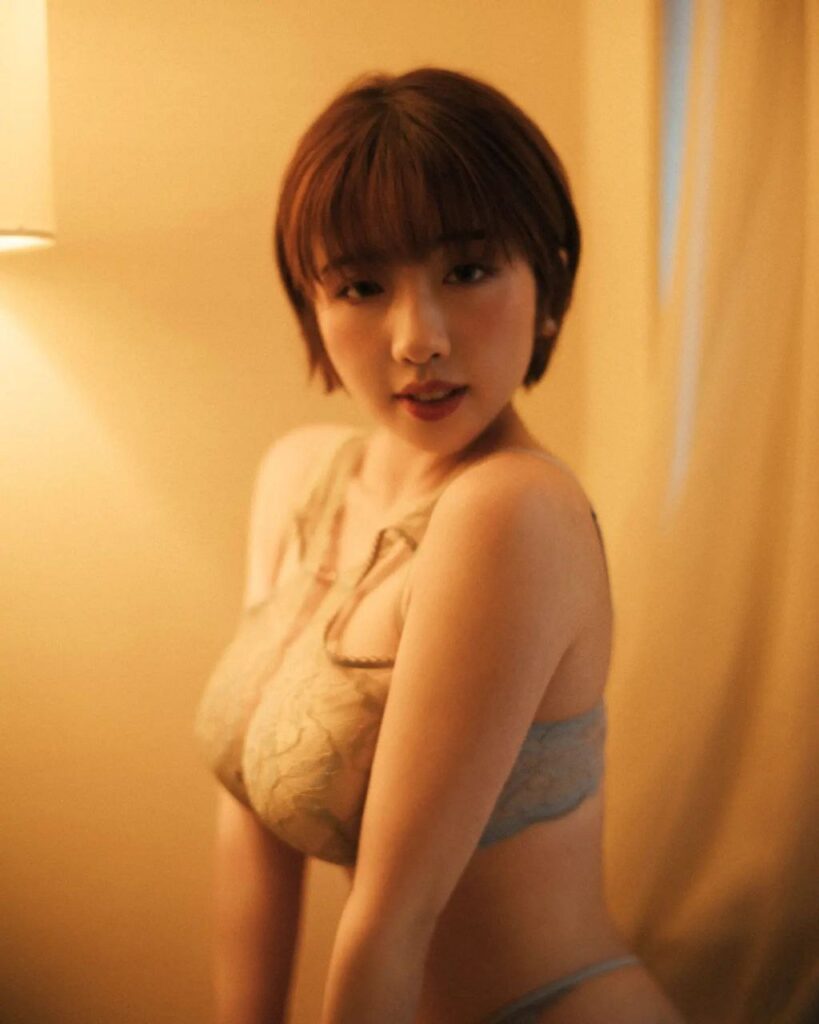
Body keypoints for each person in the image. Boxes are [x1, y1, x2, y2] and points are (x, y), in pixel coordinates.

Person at [194, 66, 686, 1024]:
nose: (416, 338)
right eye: (360, 286)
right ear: (312, 307)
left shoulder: (512, 512)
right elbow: (250, 805)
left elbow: (392, 920)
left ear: (546, 285)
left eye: (466, 271)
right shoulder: (300, 476)